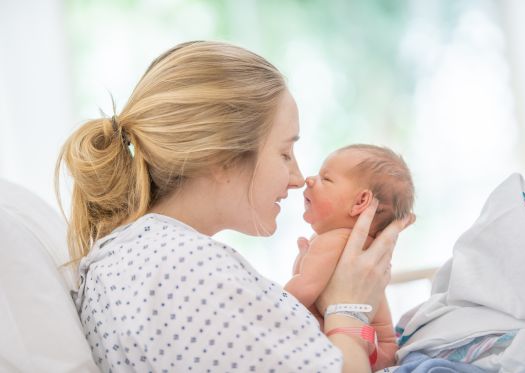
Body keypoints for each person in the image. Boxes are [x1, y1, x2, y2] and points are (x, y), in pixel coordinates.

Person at [55, 41, 413, 373]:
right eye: (285, 153)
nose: (297, 177)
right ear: (222, 158)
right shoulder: (185, 271)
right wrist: (349, 310)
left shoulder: (135, 256)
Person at [285, 144, 415, 369]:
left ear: (360, 202)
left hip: (364, 346)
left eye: (326, 179)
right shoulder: (354, 243)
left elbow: (302, 291)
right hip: (375, 349)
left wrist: (263, 306)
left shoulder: (334, 241)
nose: (310, 179)